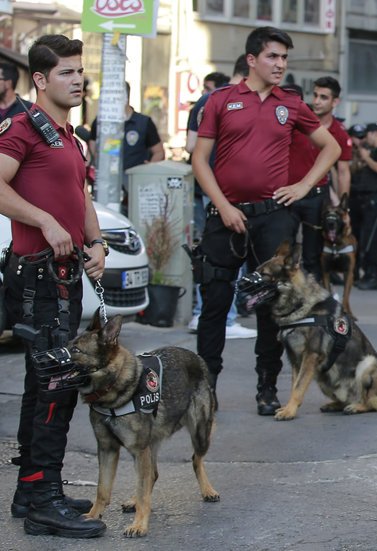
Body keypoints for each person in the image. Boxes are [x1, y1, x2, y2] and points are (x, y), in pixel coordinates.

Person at [192, 26, 340, 415]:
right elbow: (198, 160)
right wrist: (223, 205)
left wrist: (304, 186)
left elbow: (332, 147)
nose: (280, 64)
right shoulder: (221, 100)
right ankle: (206, 388)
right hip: (225, 216)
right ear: (252, 60)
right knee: (215, 303)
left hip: (274, 216)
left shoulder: (290, 104)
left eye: (284, 58)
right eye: (273, 56)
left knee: (271, 307)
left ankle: (267, 388)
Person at [0, 34, 107, 538]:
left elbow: (80, 194)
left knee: (48, 385)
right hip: (36, 276)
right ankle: (43, 498)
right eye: (67, 72)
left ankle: (33, 491)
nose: (78, 79)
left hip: (64, 276)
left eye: (80, 71)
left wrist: (97, 242)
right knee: (54, 386)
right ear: (41, 79)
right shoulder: (21, 128)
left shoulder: (69, 136)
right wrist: (44, 220)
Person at [186, 60, 256, 340]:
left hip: (206, 188)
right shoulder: (237, 100)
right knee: (232, 255)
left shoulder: (206, 99)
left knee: (209, 254)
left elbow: (192, 146)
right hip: (230, 190)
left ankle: (201, 314)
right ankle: (224, 319)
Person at [289, 76, 352, 282]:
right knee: (282, 251)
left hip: (317, 198)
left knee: (313, 255)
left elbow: (343, 172)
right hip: (287, 194)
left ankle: (316, 306)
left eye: (323, 97)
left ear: (335, 102)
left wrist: (344, 210)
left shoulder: (340, 133)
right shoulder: (297, 119)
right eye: (315, 95)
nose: (316, 101)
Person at [88, 82, 164, 214]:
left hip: (135, 185)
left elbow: (159, 152)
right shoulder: (101, 121)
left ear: (125, 96)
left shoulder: (144, 122)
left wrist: (149, 168)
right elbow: (92, 147)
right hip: (107, 184)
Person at [353, 123, 377, 290]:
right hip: (366, 199)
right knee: (366, 238)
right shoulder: (372, 151)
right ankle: (369, 272)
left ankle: (375, 274)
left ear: (374, 133)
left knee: (374, 239)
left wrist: (366, 157)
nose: (365, 139)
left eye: (367, 135)